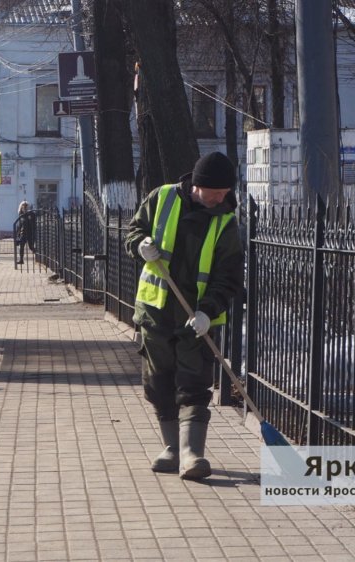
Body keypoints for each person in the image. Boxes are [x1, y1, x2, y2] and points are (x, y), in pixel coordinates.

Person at [125, 152, 244, 480]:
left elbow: (228, 276)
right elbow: (133, 231)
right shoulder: (161, 198)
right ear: (197, 186)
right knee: (159, 381)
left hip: (197, 318)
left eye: (224, 193)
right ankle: (172, 448)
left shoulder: (225, 222)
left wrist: (208, 311)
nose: (220, 198)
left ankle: (192, 453)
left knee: (194, 382)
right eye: (215, 193)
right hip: (156, 313)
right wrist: (140, 245)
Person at [14, 200, 36, 265]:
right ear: (21, 208)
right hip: (23, 233)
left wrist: (30, 216)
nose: (24, 209)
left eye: (26, 207)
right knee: (21, 246)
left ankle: (39, 255)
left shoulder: (31, 214)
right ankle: (21, 260)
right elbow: (20, 225)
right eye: (23, 207)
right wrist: (18, 234)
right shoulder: (21, 215)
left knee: (31, 247)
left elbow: (33, 223)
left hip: (30, 233)